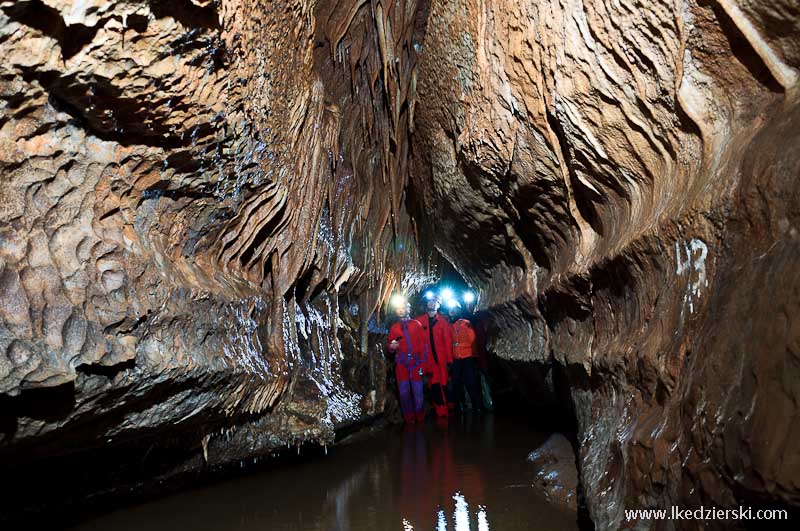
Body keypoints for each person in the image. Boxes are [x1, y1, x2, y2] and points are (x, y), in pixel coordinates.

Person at [387, 299, 429, 424]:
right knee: (404, 392)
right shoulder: (394, 328)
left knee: (418, 392)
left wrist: (423, 363)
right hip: (401, 363)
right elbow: (390, 346)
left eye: (403, 308)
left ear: (408, 309)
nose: (400, 311)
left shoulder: (416, 325)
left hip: (415, 362)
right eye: (398, 309)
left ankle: (420, 416)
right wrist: (391, 347)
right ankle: (409, 418)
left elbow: (423, 345)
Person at [416, 293, 453, 418]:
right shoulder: (420, 321)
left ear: (439, 305)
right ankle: (442, 411)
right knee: (434, 385)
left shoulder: (443, 322)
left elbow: (448, 342)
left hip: (440, 360)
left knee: (440, 384)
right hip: (426, 360)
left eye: (435, 302)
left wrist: (449, 360)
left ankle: (443, 411)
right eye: (430, 301)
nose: (431, 303)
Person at [447, 301, 482, 414]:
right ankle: (459, 406)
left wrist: (475, 357)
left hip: (467, 358)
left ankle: (477, 406)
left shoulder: (466, 323)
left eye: (454, 310)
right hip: (456, 359)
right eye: (450, 310)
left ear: (458, 311)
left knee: (471, 382)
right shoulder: (450, 326)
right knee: (456, 383)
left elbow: (473, 340)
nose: (451, 312)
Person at [464, 296, 493, 412]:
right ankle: (481, 404)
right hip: (473, 357)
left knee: (486, 380)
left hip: (483, 357)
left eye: (470, 304)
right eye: (467, 305)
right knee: (476, 381)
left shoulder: (481, 320)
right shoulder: (467, 321)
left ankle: (489, 403)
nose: (469, 307)